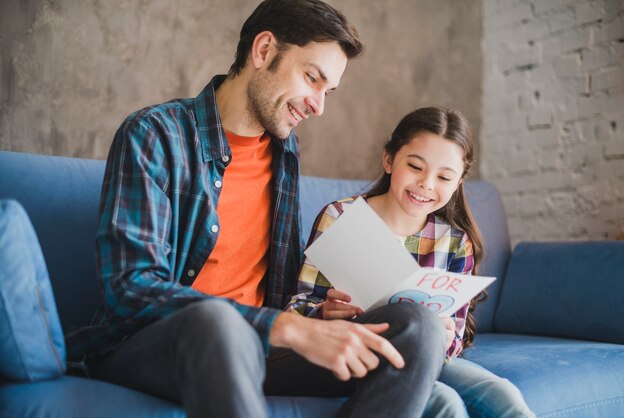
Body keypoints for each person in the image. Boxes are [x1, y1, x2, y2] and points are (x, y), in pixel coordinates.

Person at [66, 1, 447, 417]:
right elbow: (130, 287)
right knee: (217, 323)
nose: (319, 106)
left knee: (417, 328)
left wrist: (319, 316)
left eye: (328, 90)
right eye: (311, 78)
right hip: (155, 344)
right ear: (263, 50)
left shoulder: (285, 150)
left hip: (261, 345)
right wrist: (284, 327)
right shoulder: (155, 135)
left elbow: (276, 290)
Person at [287, 106, 536, 418]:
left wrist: (445, 337)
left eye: (444, 176)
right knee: (445, 403)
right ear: (389, 160)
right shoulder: (341, 218)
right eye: (416, 167)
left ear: (458, 182)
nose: (427, 184)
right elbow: (296, 307)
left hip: (426, 355)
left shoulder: (456, 242)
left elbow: (455, 337)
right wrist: (322, 312)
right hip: (358, 347)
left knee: (504, 396)